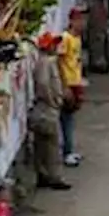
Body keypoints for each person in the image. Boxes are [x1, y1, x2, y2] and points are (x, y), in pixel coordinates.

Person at [30, 33, 71, 192]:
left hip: (43, 107)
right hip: (47, 108)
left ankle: (43, 174)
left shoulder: (42, 62)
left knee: (42, 145)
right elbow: (43, 84)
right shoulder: (46, 63)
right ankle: (54, 177)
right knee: (52, 145)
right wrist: (53, 101)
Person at [58, 7, 85, 167]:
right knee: (66, 118)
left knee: (71, 118)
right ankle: (66, 152)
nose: (83, 23)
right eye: (80, 20)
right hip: (68, 83)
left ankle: (70, 149)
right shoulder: (65, 38)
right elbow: (60, 62)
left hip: (76, 81)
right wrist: (64, 85)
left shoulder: (77, 38)